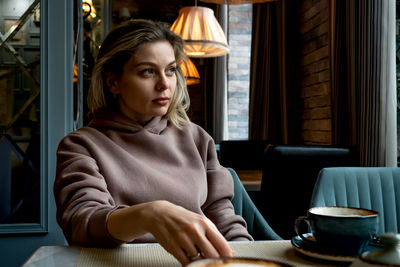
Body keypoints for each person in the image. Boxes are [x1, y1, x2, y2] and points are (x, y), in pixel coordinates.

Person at [54, 19, 253, 266]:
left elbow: (224, 218)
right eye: (147, 71)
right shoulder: (81, 145)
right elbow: (81, 222)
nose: (164, 84)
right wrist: (149, 214)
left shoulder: (197, 138)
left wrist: (248, 258)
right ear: (113, 82)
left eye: (170, 70)